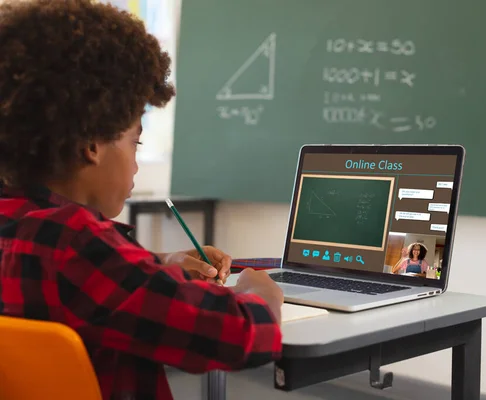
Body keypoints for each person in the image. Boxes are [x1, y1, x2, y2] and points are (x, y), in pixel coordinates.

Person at [0, 1, 283, 399]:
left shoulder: (22, 224)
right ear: (92, 144)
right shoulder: (77, 243)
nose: (135, 162)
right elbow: (239, 336)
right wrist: (261, 295)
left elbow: (96, 282)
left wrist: (160, 262)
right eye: (136, 141)